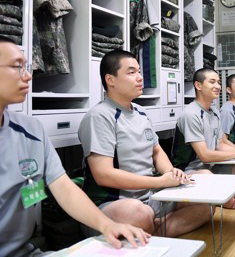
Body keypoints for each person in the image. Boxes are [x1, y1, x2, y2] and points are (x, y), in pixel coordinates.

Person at [0, 39, 149, 257]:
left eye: (27, 67)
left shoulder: (31, 130)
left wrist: (107, 226)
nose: (28, 75)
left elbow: (63, 187)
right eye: (16, 66)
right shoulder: (100, 115)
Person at [78, 50, 210, 237]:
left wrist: (169, 172)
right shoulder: (99, 116)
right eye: (131, 72)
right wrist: (159, 181)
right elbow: (103, 175)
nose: (140, 77)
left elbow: (156, 151)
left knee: (206, 201)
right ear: (110, 80)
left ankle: (149, 231)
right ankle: (153, 228)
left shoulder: (140, 112)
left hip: (149, 198)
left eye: (139, 71)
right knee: (139, 213)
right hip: (113, 205)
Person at [171, 68, 235, 208]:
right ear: (198, 86)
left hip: (213, 165)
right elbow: (205, 156)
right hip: (190, 170)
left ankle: (220, 193)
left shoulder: (214, 113)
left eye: (218, 82)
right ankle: (222, 196)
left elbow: (220, 144)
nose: (218, 86)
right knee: (206, 175)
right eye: (212, 82)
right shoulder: (191, 114)